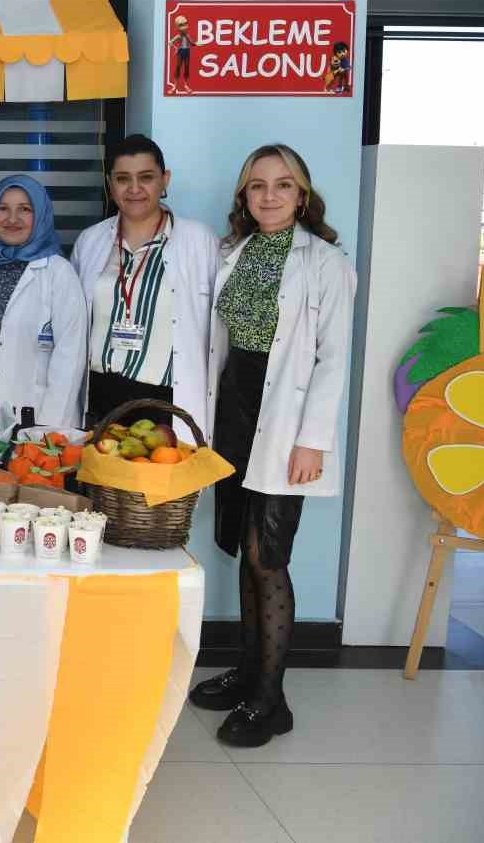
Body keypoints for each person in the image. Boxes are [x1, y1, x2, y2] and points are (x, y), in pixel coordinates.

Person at [189, 145, 355, 747]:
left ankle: (271, 699)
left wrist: (312, 442)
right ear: (243, 196)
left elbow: (334, 360)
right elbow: (222, 343)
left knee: (267, 555)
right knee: (242, 548)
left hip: (285, 418)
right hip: (235, 412)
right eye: (257, 186)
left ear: (302, 195)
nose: (269, 195)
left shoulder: (326, 263)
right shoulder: (235, 252)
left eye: (283, 185)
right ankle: (247, 671)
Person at [71, 134, 219, 436]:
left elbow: (219, 333)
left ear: (165, 180)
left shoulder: (199, 241)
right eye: (123, 179)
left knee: (163, 479)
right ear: (110, 184)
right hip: (100, 397)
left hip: (167, 402)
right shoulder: (90, 241)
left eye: (146, 177)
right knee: (101, 483)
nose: (134, 189)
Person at [0, 175, 87, 430]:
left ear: (40, 216)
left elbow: (70, 362)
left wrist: (47, 432)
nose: (12, 219)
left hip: (39, 419)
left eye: (25, 209)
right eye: (2, 208)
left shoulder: (59, 273)